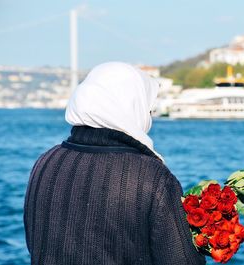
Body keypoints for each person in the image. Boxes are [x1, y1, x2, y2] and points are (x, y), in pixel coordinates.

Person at [23, 62, 206, 265]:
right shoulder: (151, 177)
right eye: (148, 111)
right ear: (130, 108)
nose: (148, 119)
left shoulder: (46, 162)